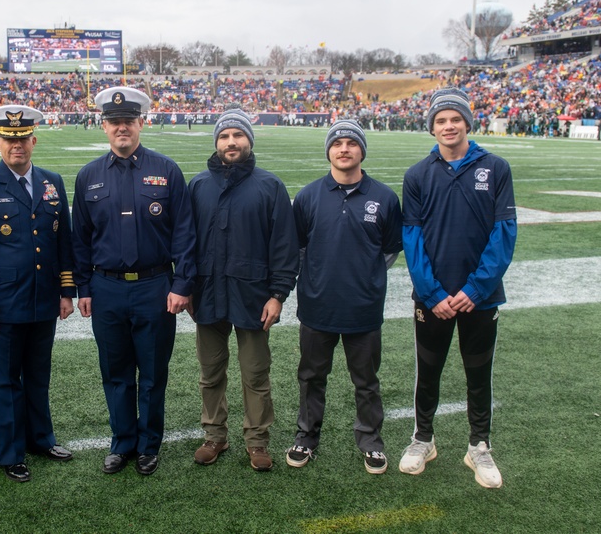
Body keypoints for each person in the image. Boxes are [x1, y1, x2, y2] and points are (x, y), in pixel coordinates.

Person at [72, 87, 196, 476]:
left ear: (141, 123)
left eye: (129, 120)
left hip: (155, 286)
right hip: (106, 288)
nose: (122, 127)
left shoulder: (167, 170)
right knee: (116, 371)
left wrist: (182, 285)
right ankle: (122, 442)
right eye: (114, 122)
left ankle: (149, 445)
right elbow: (81, 238)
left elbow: (185, 235)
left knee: (153, 372)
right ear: (104, 126)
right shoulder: (89, 175)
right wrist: (84, 288)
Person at [398, 88, 517, 489]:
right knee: (427, 372)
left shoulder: (496, 168)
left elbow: (504, 233)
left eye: (454, 119)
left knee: (478, 372)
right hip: (433, 299)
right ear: (431, 127)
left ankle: (479, 446)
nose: (448, 126)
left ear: (467, 122)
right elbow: (411, 238)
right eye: (440, 120)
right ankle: (423, 440)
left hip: (479, 297)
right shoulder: (417, 174)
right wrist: (432, 293)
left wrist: (477, 288)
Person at [0, 104, 76, 483]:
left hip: (44, 300)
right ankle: (10, 452)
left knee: (37, 375)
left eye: (23, 140)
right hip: (2, 303)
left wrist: (65, 291)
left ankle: (40, 438)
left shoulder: (51, 181)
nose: (17, 147)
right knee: (3, 380)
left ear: (34, 141)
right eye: (9, 141)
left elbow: (62, 242)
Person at [286, 120, 402, 474]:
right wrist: (321, 278)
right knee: (310, 376)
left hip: (362, 308)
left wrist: (362, 279)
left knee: (366, 380)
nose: (344, 148)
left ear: (362, 150)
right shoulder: (307, 196)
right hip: (318, 304)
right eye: (337, 143)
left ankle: (371, 441)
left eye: (352, 142)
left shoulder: (384, 197)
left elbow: (389, 251)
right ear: (329, 151)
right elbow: (300, 249)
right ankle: (306, 437)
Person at [188, 109, 298, 472]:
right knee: (210, 372)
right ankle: (215, 436)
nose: (230, 142)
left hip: (253, 297)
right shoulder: (199, 185)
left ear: (249, 140)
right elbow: (186, 244)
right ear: (216, 142)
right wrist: (187, 287)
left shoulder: (270, 186)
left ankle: (257, 441)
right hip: (207, 294)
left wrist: (277, 294)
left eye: (237, 135)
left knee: (255, 374)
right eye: (223, 136)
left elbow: (284, 246)